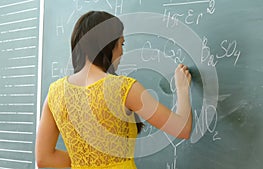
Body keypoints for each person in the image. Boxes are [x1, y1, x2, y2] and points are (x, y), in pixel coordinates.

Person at [35, 11, 192, 169]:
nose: (122, 52)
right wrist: (182, 88)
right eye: (121, 44)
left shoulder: (54, 93)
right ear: (107, 44)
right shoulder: (124, 89)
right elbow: (182, 129)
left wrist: (85, 161)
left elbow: (44, 159)